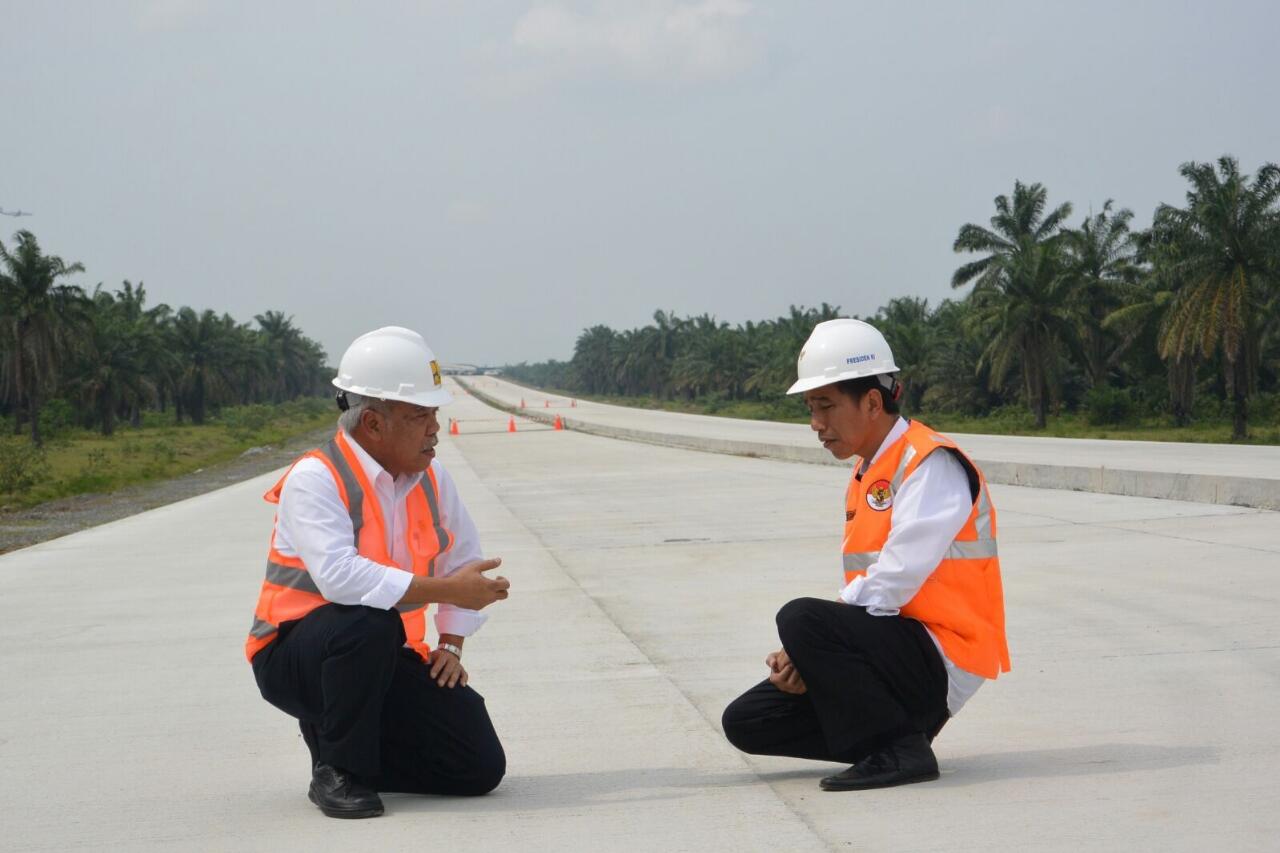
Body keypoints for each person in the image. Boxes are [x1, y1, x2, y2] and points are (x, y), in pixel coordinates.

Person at [721, 318, 1010, 790]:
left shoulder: (929, 462)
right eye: (811, 409)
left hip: (941, 656)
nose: (816, 424)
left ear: (873, 401)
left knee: (800, 619)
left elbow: (897, 576)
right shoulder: (868, 472)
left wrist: (807, 645)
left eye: (826, 407)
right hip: (893, 651)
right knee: (748, 721)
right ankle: (886, 737)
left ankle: (901, 750)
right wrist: (811, 660)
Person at [246, 326, 510, 818]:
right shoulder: (316, 478)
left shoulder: (432, 478)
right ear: (372, 424)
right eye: (420, 415)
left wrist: (450, 642)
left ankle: (355, 738)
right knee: (366, 619)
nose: (435, 428)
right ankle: (339, 769)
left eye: (435, 413)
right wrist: (451, 590)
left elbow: (463, 560)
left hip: (384, 656)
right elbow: (341, 579)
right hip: (295, 657)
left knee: (477, 765)